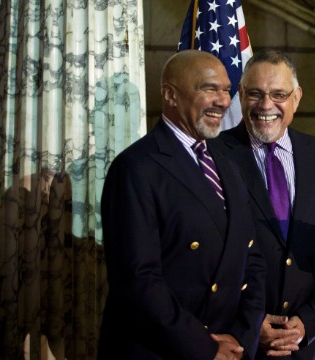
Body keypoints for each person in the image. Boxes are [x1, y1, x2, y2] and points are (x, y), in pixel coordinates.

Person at [98, 50, 266, 360]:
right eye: (209, 89)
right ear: (170, 95)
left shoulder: (228, 164)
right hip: (163, 351)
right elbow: (139, 280)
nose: (224, 101)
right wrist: (206, 348)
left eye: (227, 90)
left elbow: (252, 258)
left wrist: (240, 338)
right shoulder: (136, 167)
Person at [215, 49, 315, 359]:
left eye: (278, 94)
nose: (266, 105)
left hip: (300, 346)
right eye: (255, 93)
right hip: (235, 343)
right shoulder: (213, 156)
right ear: (240, 94)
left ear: (297, 97)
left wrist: (308, 322)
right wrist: (249, 322)